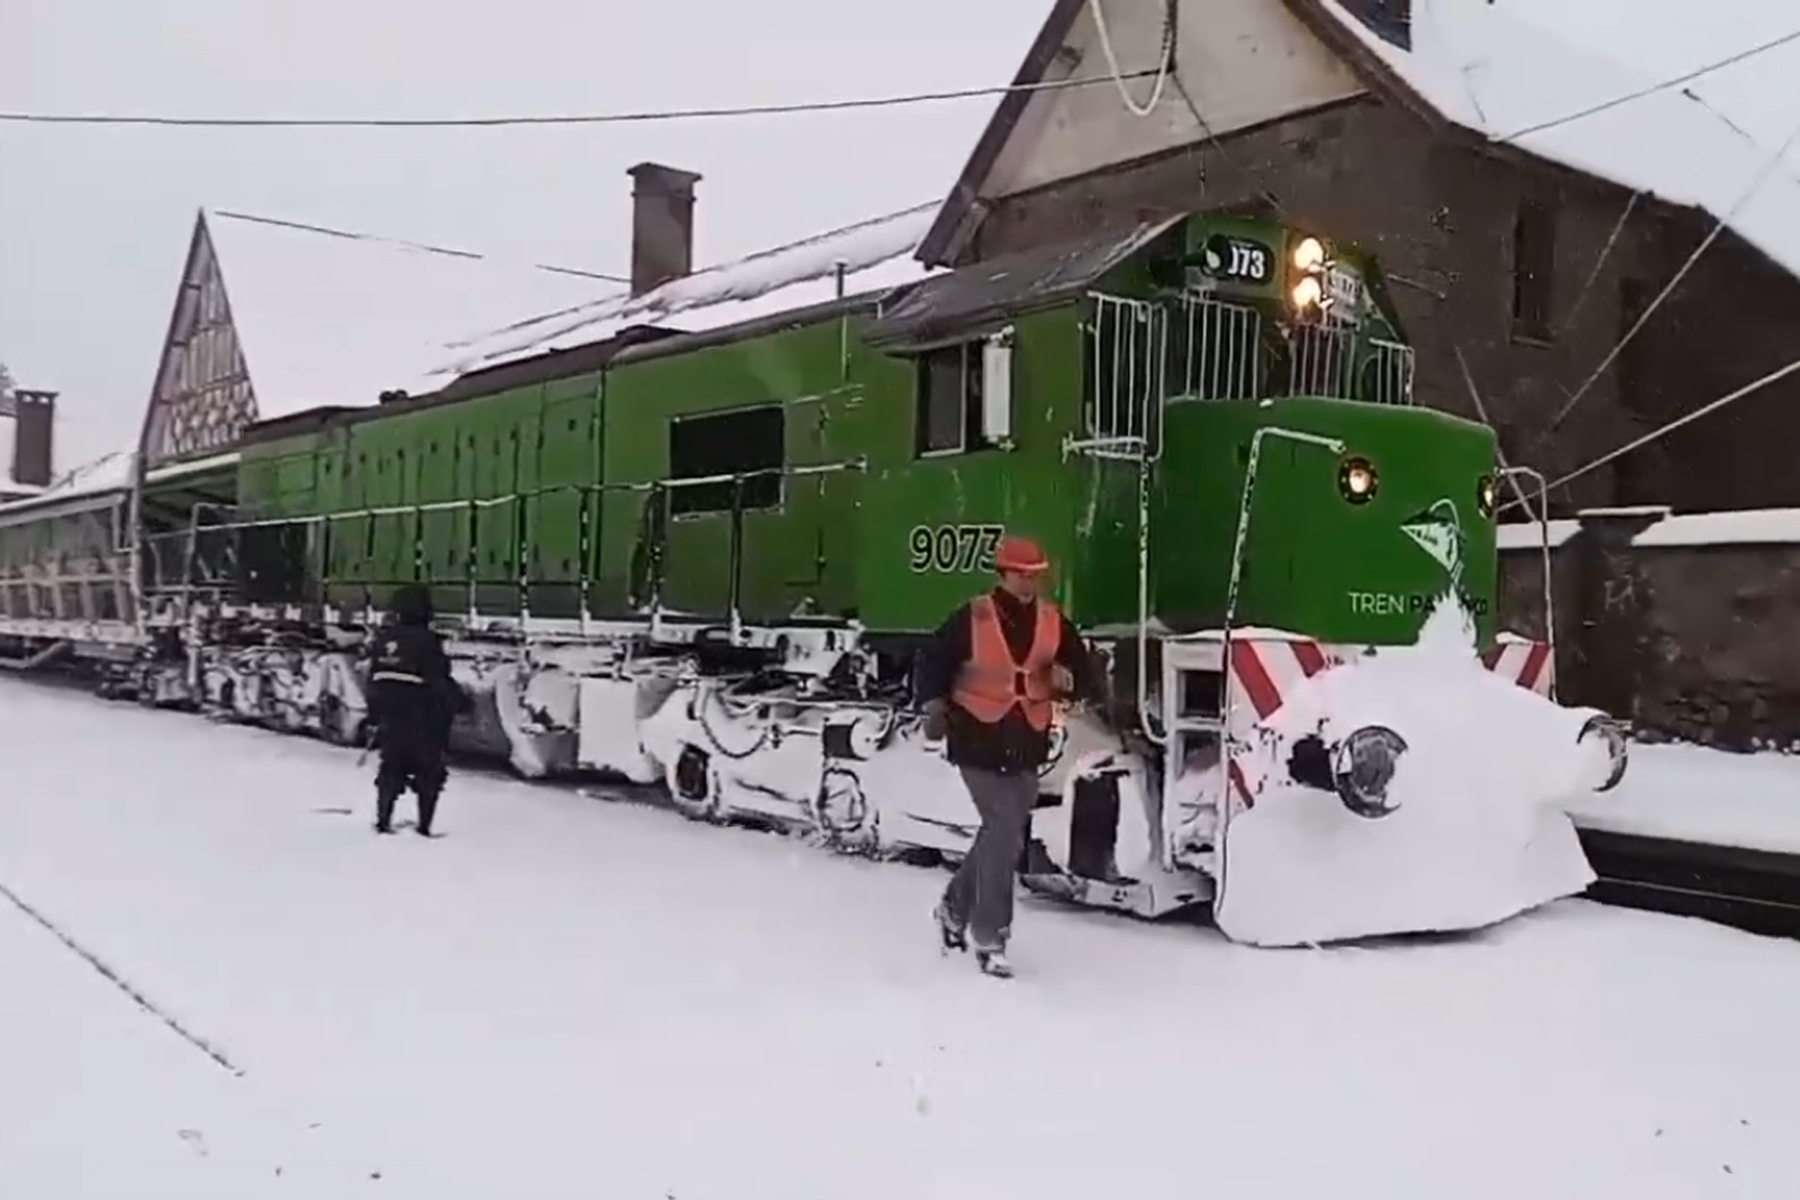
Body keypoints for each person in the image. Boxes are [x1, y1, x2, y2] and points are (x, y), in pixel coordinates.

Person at [914, 534, 1109, 977]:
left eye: (1035, 575)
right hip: (975, 735)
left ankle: (952, 908)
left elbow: (1083, 669)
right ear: (1002, 574)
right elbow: (933, 660)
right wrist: (933, 706)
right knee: (1004, 831)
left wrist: (1070, 682)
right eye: (1021, 574)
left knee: (1002, 835)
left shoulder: (1052, 621)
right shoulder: (973, 617)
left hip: (1025, 738)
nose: (1029, 583)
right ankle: (990, 938)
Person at [366, 583, 469, 837]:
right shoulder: (427, 642)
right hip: (424, 722)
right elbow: (438, 682)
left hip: (391, 721)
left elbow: (373, 682)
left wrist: (375, 717)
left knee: (391, 769)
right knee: (428, 773)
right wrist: (461, 703)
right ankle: (423, 826)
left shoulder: (383, 641)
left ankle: (383, 821)